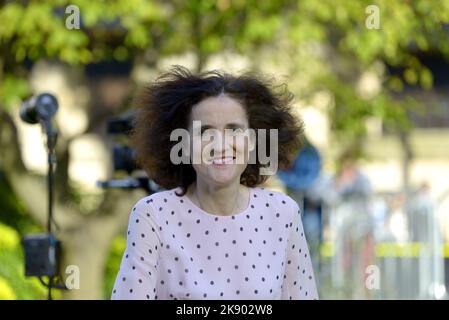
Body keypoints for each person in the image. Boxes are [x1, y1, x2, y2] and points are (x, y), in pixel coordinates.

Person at [111, 66, 318, 300]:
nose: (220, 145)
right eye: (205, 132)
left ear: (252, 141)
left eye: (234, 130)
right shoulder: (153, 215)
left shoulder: (283, 214)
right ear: (184, 145)